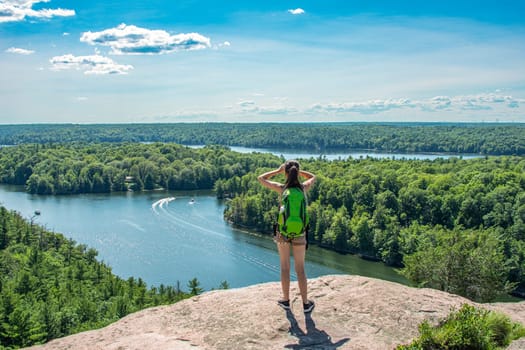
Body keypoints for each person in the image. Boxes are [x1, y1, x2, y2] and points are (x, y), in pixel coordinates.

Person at [258, 160, 316, 313]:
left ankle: (285, 300)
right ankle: (305, 303)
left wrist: (278, 170)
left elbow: (261, 178)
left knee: (285, 267)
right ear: (297, 172)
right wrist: (299, 171)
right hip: (300, 233)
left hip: (282, 233)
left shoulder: (282, 188)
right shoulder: (303, 188)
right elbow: (313, 177)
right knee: (301, 269)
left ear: (285, 172)